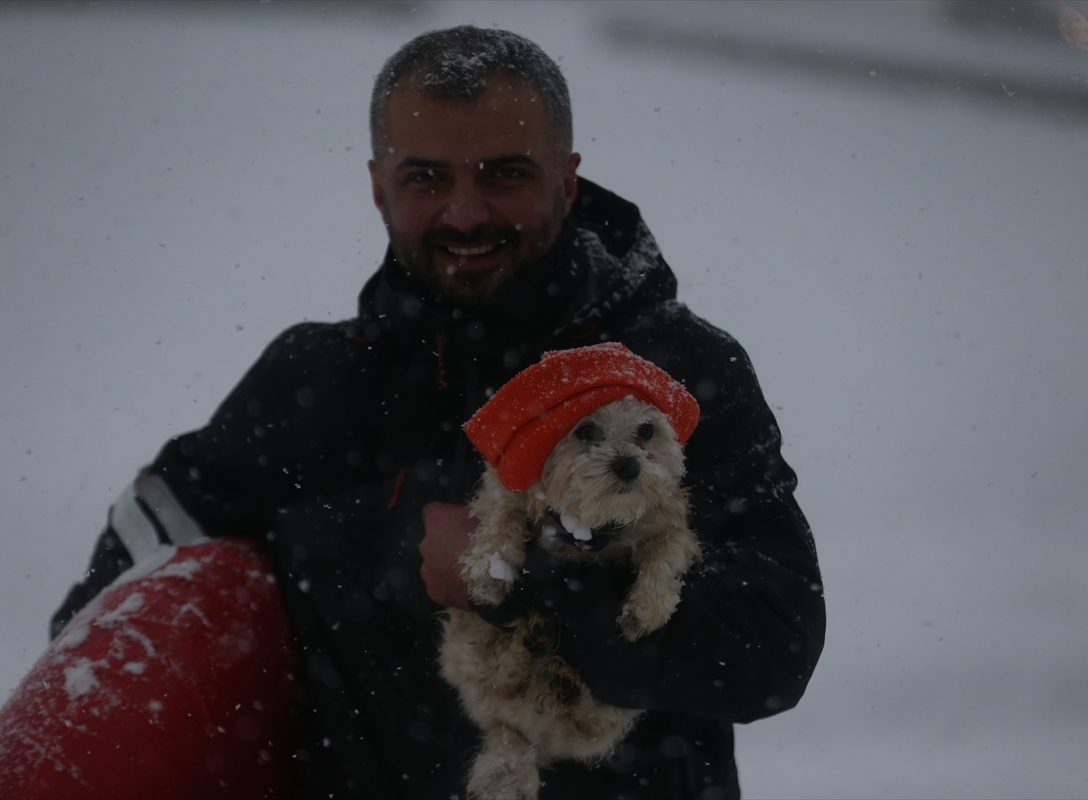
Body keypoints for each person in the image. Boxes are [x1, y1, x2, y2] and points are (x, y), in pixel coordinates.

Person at [51, 25, 825, 800]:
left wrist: (525, 572)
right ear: (378, 185)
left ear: (567, 180)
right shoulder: (312, 382)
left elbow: (772, 649)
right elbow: (122, 603)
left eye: (505, 174)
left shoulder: (677, 379)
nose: (463, 213)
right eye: (426, 177)